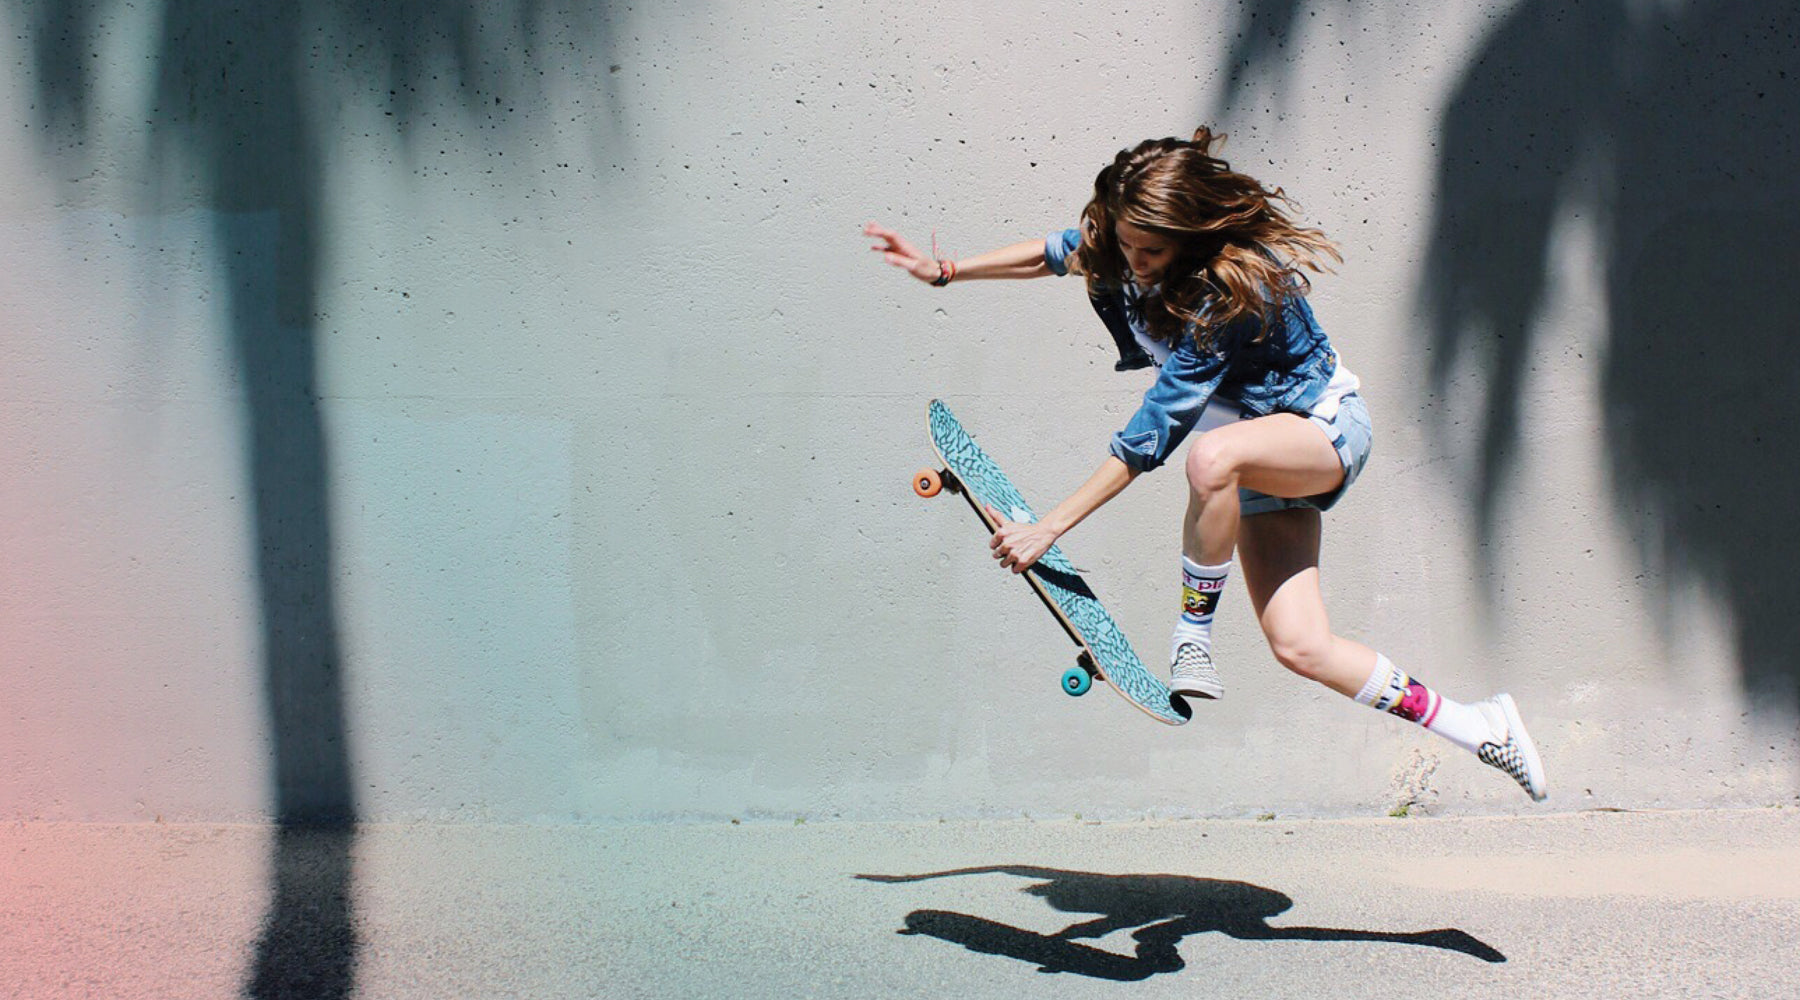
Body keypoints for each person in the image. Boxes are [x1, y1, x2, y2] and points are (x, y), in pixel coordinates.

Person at [865, 128, 1547, 801]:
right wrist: (947, 271)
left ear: (1191, 240)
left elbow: (1151, 434)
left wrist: (1050, 528)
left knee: (1210, 454)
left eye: (1152, 250)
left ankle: (1193, 632)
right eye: (1126, 244)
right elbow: (1053, 255)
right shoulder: (1120, 248)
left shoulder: (1224, 295)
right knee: (1301, 646)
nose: (1134, 261)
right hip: (1251, 467)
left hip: (1321, 433)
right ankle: (1479, 726)